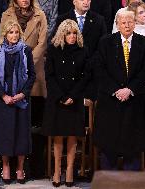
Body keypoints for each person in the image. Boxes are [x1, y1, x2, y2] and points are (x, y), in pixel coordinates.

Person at [93, 10, 145, 170]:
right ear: (117, 24)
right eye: (123, 22)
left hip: (133, 101)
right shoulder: (105, 42)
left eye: (130, 22)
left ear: (135, 23)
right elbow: (100, 69)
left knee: (132, 147)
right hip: (110, 101)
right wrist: (116, 90)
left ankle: (130, 183)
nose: (127, 25)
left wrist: (129, 89)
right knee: (108, 145)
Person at [0, 0, 47, 178]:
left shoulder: (40, 14)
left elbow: (42, 44)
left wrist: (25, 62)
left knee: (29, 125)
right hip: (9, 76)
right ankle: (7, 167)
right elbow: (1, 40)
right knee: (9, 124)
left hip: (32, 75)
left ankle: (29, 168)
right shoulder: (6, 14)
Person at [42, 19, 90, 187]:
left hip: (75, 99)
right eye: (68, 33)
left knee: (72, 136)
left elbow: (85, 76)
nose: (72, 36)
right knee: (58, 136)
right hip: (57, 99)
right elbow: (50, 76)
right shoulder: (53, 50)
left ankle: (69, 170)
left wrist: (73, 96)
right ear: (62, 34)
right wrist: (62, 96)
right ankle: (57, 170)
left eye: (75, 33)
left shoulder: (83, 51)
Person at [0, 20, 36, 184]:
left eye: (16, 32)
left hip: (21, 99)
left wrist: (23, 94)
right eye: (11, 32)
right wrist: (4, 96)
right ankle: (6, 167)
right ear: (5, 34)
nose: (14, 35)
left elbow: (32, 75)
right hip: (4, 99)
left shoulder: (26, 51)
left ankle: (19, 168)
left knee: (21, 134)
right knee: (5, 134)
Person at [54, 0, 107, 101]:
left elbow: (103, 47)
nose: (86, 2)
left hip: (91, 72)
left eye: (88, 0)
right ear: (74, 2)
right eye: (82, 0)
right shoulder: (62, 19)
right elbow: (58, 44)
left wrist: (89, 63)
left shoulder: (99, 20)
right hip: (68, 72)